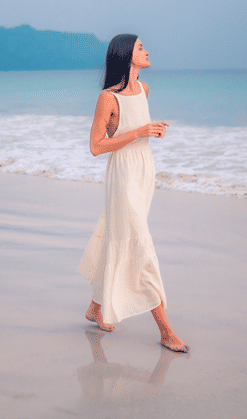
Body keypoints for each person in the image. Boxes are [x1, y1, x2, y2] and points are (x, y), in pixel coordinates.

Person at [77, 34, 189, 353]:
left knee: (119, 234)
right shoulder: (108, 98)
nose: (147, 51)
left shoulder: (145, 89)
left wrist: (150, 130)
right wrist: (139, 131)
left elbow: (138, 131)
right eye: (141, 48)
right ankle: (166, 331)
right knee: (140, 245)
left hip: (144, 171)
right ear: (127, 55)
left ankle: (96, 308)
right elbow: (96, 146)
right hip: (123, 173)